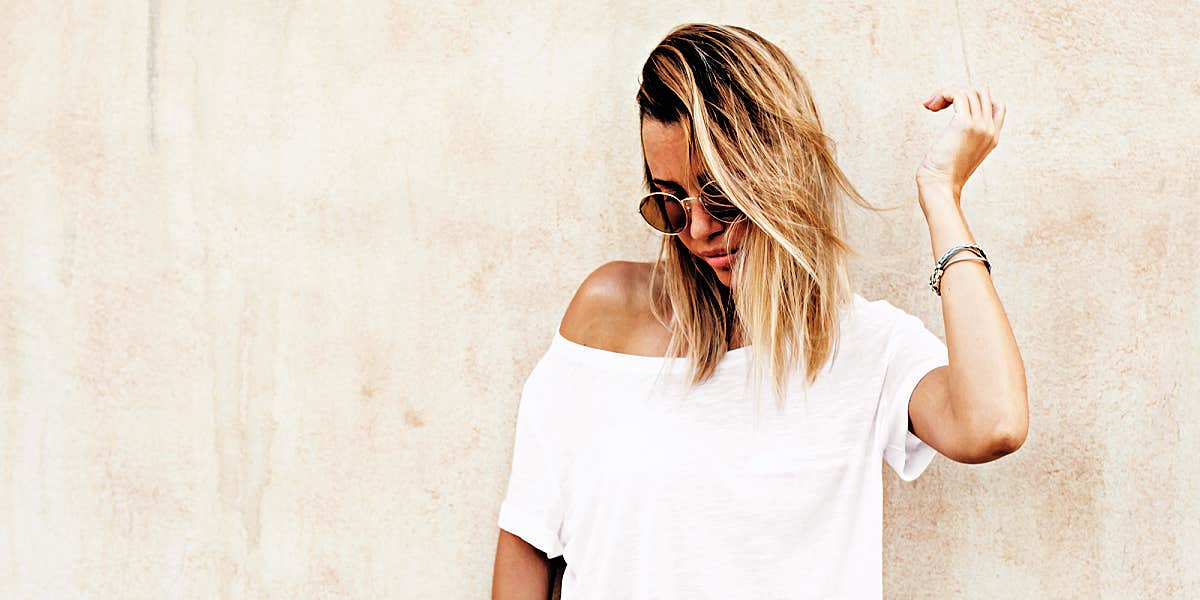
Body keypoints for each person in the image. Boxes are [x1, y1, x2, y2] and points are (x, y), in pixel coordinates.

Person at [492, 22, 1028, 600]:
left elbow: (993, 424)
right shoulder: (608, 314)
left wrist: (941, 192)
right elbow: (529, 539)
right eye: (670, 202)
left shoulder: (864, 345)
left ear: (782, 176)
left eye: (722, 195)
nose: (698, 230)